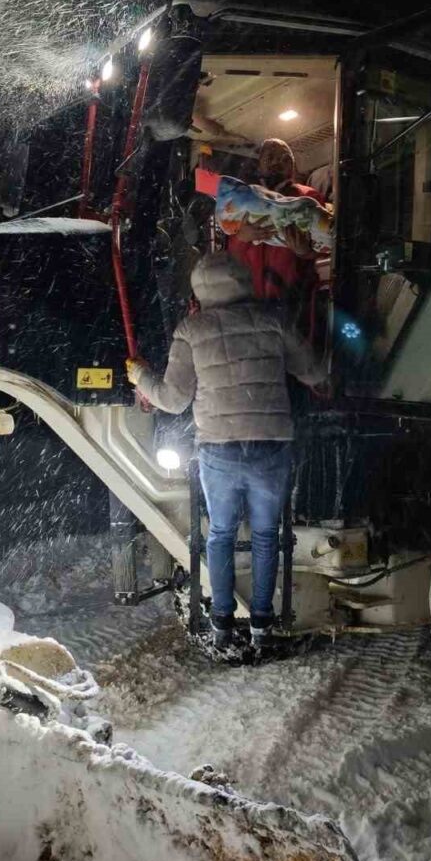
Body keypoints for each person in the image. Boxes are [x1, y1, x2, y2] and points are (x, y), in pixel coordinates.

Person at [126, 252, 327, 649]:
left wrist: (140, 376)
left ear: (200, 290)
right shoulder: (272, 321)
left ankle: (220, 621)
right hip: (271, 445)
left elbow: (173, 399)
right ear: (243, 282)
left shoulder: (191, 331)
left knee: (219, 534)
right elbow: (315, 372)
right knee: (268, 535)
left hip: (219, 448)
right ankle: (262, 624)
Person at [227, 138, 324, 313]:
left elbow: (325, 241)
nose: (276, 162)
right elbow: (231, 252)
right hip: (250, 300)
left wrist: (305, 251)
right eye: (270, 156)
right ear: (260, 164)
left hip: (294, 298)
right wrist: (242, 237)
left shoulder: (307, 197)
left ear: (292, 167)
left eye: (285, 159)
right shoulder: (245, 198)